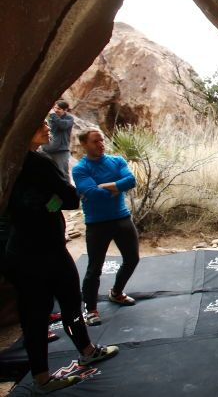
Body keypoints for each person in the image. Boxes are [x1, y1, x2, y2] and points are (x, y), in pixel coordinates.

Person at [3, 118, 118, 393]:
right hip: (34, 253)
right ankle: (42, 379)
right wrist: (51, 203)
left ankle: (87, 350)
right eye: (39, 122)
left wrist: (49, 204)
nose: (46, 126)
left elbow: (61, 200)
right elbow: (68, 197)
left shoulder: (21, 160)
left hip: (40, 248)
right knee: (37, 314)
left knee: (64, 301)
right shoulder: (33, 164)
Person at [71, 128, 139, 326]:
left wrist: (104, 186)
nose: (101, 144)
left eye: (102, 140)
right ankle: (90, 309)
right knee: (95, 268)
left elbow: (131, 180)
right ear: (84, 145)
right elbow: (92, 193)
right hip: (97, 223)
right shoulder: (80, 169)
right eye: (95, 141)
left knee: (132, 258)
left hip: (121, 218)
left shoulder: (117, 160)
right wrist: (117, 186)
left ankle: (116, 293)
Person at [40, 100, 74, 179]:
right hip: (47, 150)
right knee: (45, 172)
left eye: (58, 109)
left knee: (63, 174)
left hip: (61, 152)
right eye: (55, 108)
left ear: (65, 110)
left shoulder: (69, 118)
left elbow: (62, 125)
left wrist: (53, 115)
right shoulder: (52, 118)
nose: (55, 110)